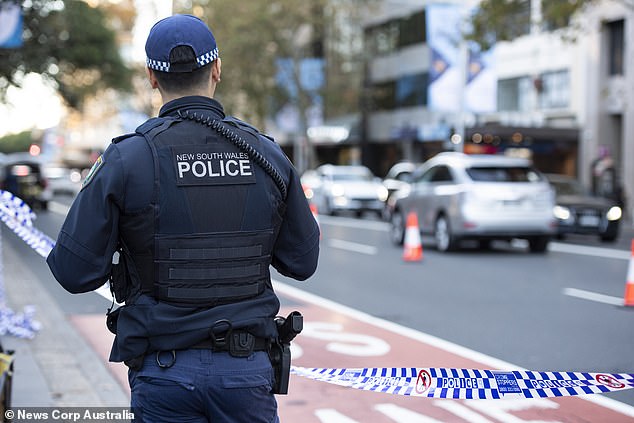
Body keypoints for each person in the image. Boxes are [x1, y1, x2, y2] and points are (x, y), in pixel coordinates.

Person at [47, 14, 320, 422]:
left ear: (152, 78)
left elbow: (74, 272)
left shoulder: (127, 157)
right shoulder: (265, 153)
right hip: (245, 374)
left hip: (165, 373)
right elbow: (302, 262)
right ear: (217, 69)